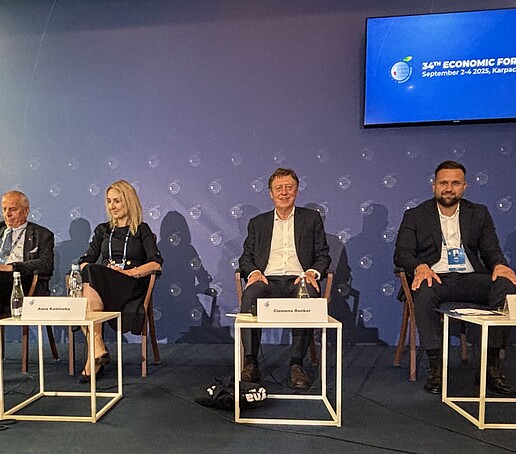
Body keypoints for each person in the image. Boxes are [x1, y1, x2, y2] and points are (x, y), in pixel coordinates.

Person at [394, 160, 516, 395]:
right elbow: (402, 253)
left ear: (464, 187)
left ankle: (490, 368)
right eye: (443, 183)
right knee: (424, 290)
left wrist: (499, 265)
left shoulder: (478, 213)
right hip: (435, 277)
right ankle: (436, 369)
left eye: (455, 183)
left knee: (506, 286)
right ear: (434, 186)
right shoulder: (415, 215)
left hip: (470, 278)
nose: (448, 188)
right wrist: (419, 266)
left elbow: (490, 249)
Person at [239, 168, 330, 388]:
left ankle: (296, 364)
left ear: (296, 191)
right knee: (250, 295)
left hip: (299, 279)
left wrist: (312, 272)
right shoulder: (257, 223)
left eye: (289, 187)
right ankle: (250, 363)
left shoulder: (311, 219)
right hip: (267, 281)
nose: (284, 192)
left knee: (307, 295)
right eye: (278, 188)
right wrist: (254, 272)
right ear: (271, 193)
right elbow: (245, 258)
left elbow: (323, 255)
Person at [78, 180, 163, 382]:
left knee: (89, 285)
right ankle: (97, 350)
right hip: (103, 287)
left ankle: (95, 356)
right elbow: (85, 262)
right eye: (109, 201)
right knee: (89, 274)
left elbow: (156, 264)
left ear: (129, 201)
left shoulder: (141, 230)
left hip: (130, 285)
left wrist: (129, 272)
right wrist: (105, 271)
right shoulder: (103, 230)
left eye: (117, 201)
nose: (112, 206)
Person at [0, 191, 54, 318]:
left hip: (20, 280)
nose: (7, 214)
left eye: (12, 209)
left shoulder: (42, 234)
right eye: (4, 209)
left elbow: (46, 264)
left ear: (26, 211)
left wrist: (13, 267)